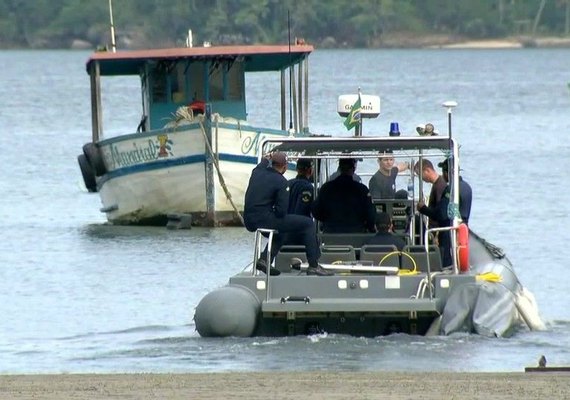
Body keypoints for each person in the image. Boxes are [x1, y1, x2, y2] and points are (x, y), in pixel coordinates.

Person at [243, 152, 332, 276]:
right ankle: (314, 265)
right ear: (285, 167)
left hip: (248, 220)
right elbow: (281, 211)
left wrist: (265, 159)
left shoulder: (256, 172)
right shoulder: (281, 181)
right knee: (307, 224)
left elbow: (262, 164)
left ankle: (264, 260)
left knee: (281, 231)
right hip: (264, 219)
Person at [417, 157, 472, 268]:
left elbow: (442, 214)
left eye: (443, 172)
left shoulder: (451, 189)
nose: (442, 175)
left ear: (447, 173)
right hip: (463, 229)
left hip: (449, 232)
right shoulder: (466, 187)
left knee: (447, 263)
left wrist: (423, 209)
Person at [312, 158, 377, 233]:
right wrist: (371, 229)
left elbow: (316, 211)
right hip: (357, 234)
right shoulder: (362, 190)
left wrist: (327, 221)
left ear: (339, 168)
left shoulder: (326, 188)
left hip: (331, 234)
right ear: (353, 169)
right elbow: (370, 214)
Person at [413, 159, 448, 231]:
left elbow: (440, 213)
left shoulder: (440, 186)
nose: (421, 178)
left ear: (427, 170)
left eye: (420, 174)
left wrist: (423, 208)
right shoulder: (437, 184)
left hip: (437, 229)